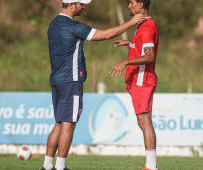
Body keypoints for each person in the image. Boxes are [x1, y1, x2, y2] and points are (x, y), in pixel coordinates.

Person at [42, 0, 144, 169]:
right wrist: (131, 23)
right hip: (71, 80)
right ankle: (60, 166)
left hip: (57, 81)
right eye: (82, 4)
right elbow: (104, 35)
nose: (84, 7)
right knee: (69, 123)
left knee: (59, 123)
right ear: (72, 4)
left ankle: (47, 166)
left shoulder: (53, 24)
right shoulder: (73, 26)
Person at [109, 0, 159, 169]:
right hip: (139, 79)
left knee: (145, 121)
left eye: (131, 2)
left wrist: (126, 62)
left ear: (141, 4)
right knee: (142, 121)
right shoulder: (142, 25)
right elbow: (142, 48)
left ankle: (151, 166)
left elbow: (150, 56)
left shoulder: (146, 27)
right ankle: (151, 165)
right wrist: (128, 44)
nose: (129, 6)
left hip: (142, 79)